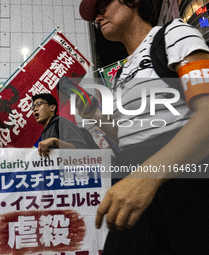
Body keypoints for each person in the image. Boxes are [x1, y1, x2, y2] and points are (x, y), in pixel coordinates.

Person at [78, 0, 209, 254]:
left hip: (185, 192)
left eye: (103, 4)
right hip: (136, 199)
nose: (97, 16)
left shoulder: (172, 35)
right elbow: (128, 136)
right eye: (94, 13)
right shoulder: (120, 75)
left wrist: (146, 177)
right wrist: (96, 117)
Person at [32, 93, 87, 158]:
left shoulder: (62, 123)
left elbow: (81, 149)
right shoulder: (45, 131)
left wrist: (55, 142)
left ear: (52, 107)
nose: (35, 109)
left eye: (39, 104)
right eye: (33, 107)